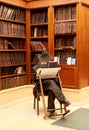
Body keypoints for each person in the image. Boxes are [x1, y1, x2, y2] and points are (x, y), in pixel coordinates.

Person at [32, 51, 71, 116]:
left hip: (50, 86)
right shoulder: (35, 67)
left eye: (47, 59)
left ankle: (51, 111)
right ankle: (63, 100)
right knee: (51, 83)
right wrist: (37, 74)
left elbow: (54, 77)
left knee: (51, 89)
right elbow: (33, 80)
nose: (46, 61)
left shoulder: (50, 66)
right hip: (40, 86)